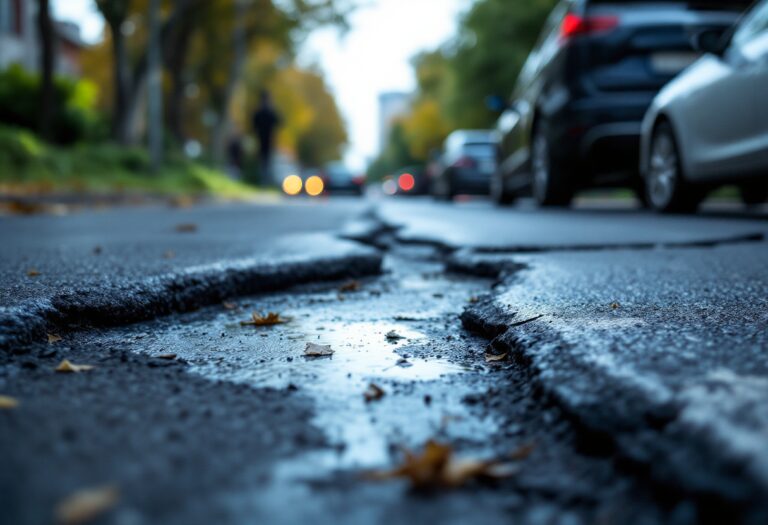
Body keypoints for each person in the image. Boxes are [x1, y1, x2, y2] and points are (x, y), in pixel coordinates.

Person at [252, 90, 281, 184]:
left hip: (265, 140)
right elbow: (279, 122)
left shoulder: (261, 111)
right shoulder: (268, 112)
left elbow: (253, 125)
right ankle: (263, 181)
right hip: (265, 140)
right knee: (265, 161)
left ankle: (263, 180)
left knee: (264, 161)